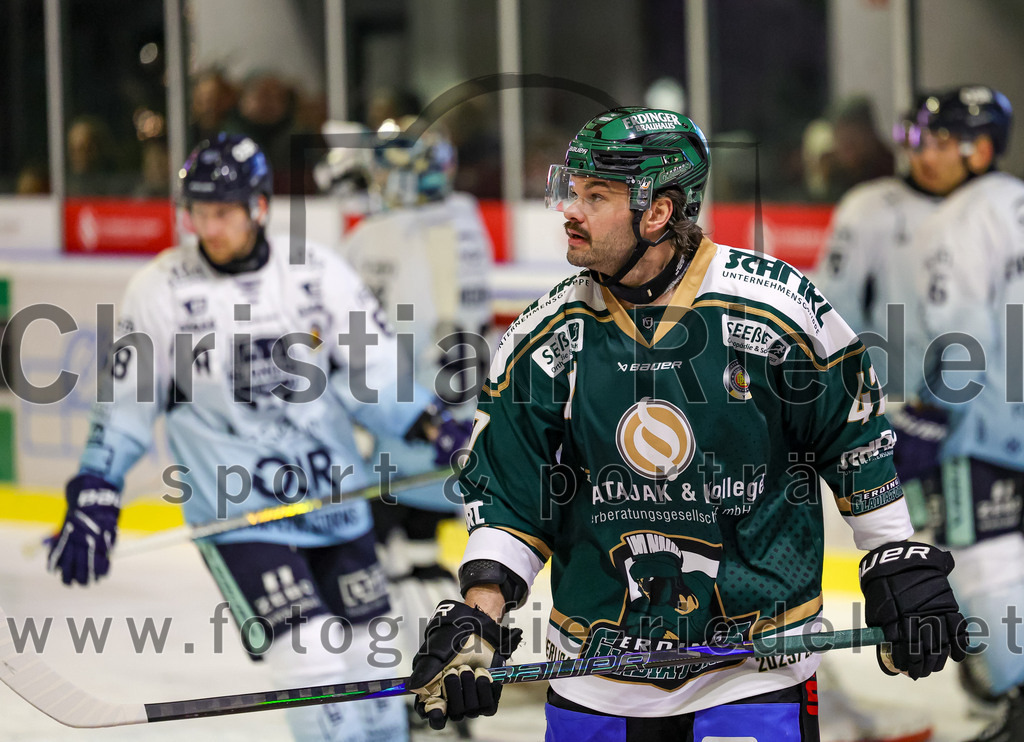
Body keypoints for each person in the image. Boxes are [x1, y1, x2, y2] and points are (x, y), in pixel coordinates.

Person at [406, 106, 970, 740]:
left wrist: (894, 555)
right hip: (595, 675)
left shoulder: (776, 310)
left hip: (753, 672)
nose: (570, 211)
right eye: (572, 189)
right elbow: (512, 497)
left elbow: (850, 437)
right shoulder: (545, 339)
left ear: (658, 212)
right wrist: (479, 614)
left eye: (596, 196)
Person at [46, 133, 468, 742]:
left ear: (259, 207)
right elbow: (126, 402)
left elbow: (370, 372)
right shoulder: (160, 291)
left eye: (223, 212)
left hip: (334, 500)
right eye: (198, 212)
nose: (208, 228)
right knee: (314, 660)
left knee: (374, 672)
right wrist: (97, 482)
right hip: (239, 512)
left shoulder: (316, 273)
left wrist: (427, 422)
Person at [336, 119, 493, 694]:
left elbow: (359, 342)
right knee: (417, 545)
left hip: (412, 425)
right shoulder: (467, 218)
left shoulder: (378, 238)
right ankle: (450, 665)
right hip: (461, 421)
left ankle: (417, 674)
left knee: (372, 553)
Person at [908, 85, 1024, 742]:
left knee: (983, 563)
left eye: (941, 140)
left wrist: (927, 415)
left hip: (985, 429)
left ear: (978, 150)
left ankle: (1016, 700)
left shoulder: (954, 220)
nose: (924, 153)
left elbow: (958, 337)